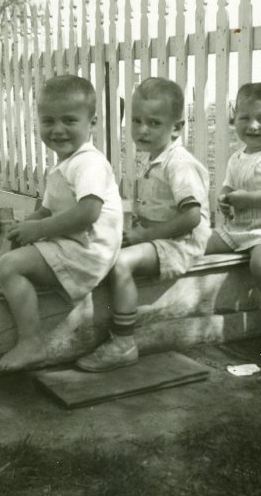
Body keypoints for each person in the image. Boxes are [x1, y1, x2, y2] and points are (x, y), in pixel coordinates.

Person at [0, 75, 123, 372]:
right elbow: (46, 212)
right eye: (48, 121)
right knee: (0, 241)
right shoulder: (63, 165)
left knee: (10, 265)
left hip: (88, 253)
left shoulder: (89, 163)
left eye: (69, 121)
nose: (58, 129)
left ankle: (31, 343)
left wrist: (38, 231)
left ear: (93, 122)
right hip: (69, 243)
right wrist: (18, 227)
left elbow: (88, 212)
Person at [77, 77, 211, 372]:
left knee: (120, 263)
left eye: (153, 123)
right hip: (160, 238)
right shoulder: (158, 158)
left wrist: (145, 236)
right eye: (136, 121)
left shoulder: (180, 164)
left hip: (181, 244)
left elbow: (191, 217)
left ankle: (123, 343)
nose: (142, 130)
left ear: (176, 127)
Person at [205, 82, 261, 354]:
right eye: (245, 118)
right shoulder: (237, 157)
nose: (253, 125)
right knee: (197, 243)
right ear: (235, 119)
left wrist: (247, 199)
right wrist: (224, 199)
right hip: (239, 227)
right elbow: (228, 186)